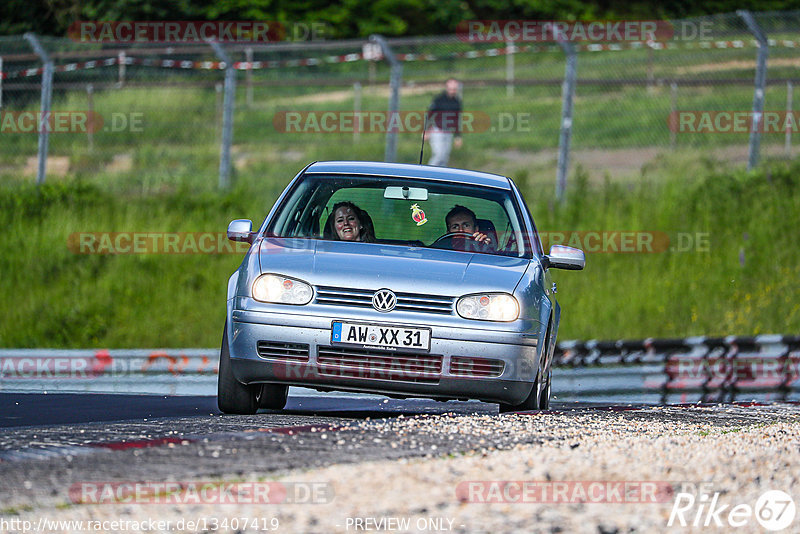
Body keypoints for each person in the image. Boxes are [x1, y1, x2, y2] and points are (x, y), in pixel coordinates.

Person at [425, 78, 463, 167]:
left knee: (445, 158)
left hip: (448, 131)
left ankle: (440, 178)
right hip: (437, 130)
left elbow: (457, 120)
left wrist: (458, 136)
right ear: (447, 88)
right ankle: (428, 174)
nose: (452, 91)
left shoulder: (457, 102)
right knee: (439, 155)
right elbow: (429, 115)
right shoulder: (439, 99)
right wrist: (426, 130)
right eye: (451, 89)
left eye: (454, 89)